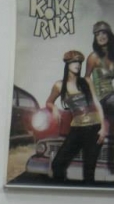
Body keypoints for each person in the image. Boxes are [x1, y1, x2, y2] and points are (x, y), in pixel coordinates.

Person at [46, 50, 106, 183]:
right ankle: (61, 191)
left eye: (79, 62)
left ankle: (87, 195)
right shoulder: (59, 85)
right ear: (67, 64)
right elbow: (49, 102)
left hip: (94, 128)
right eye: (74, 62)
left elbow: (97, 103)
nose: (77, 65)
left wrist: (103, 128)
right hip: (77, 129)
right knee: (57, 164)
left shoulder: (86, 81)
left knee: (89, 172)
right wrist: (54, 108)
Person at [86, 21, 114, 171]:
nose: (101, 36)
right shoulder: (93, 57)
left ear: (109, 35)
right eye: (97, 34)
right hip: (98, 97)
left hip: (111, 98)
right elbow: (87, 78)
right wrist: (93, 97)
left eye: (104, 33)